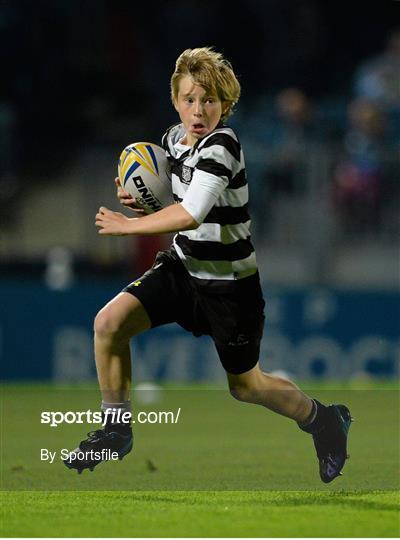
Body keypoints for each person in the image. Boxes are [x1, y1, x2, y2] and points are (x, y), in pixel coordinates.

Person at [64, 47, 352, 483]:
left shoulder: (223, 144)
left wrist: (127, 226)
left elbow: (192, 212)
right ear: (176, 101)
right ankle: (116, 428)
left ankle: (324, 420)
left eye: (210, 100)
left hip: (230, 287)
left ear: (225, 104)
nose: (199, 111)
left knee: (246, 387)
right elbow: (174, 205)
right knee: (108, 323)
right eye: (190, 99)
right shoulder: (171, 141)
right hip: (183, 267)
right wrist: (142, 204)